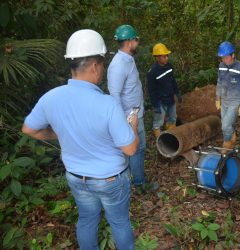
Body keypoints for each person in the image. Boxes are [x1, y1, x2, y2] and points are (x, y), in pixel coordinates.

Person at [22, 29, 139, 249]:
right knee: (120, 222)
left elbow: (29, 129)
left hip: (77, 177)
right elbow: (131, 149)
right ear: (95, 65)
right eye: (102, 64)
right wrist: (132, 125)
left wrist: (58, 134)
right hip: (110, 179)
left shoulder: (51, 98)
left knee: (86, 219)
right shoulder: (107, 104)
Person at [107, 24, 158, 193]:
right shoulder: (119, 65)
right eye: (136, 39)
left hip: (135, 113)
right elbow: (114, 95)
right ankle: (139, 184)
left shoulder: (127, 59)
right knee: (135, 148)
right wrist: (124, 122)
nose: (137, 42)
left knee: (138, 148)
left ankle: (133, 181)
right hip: (129, 116)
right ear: (129, 42)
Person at [215, 41, 240, 149]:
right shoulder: (221, 65)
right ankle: (232, 134)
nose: (224, 60)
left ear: (233, 55)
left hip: (235, 102)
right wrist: (217, 98)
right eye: (222, 57)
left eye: (226, 57)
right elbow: (219, 83)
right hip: (224, 100)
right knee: (225, 125)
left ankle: (226, 144)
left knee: (225, 126)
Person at [147, 43, 182, 137]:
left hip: (170, 98)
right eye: (164, 56)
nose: (166, 58)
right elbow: (151, 90)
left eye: (167, 56)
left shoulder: (169, 66)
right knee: (158, 122)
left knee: (173, 118)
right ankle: (159, 141)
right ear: (157, 57)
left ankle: (171, 136)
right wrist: (156, 104)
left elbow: (173, 81)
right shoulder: (153, 72)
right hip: (160, 101)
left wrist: (177, 92)